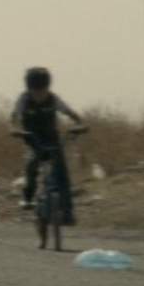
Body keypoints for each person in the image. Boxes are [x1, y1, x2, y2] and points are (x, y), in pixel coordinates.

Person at [10, 67, 84, 224]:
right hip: (32, 139)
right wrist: (15, 130)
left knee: (62, 174)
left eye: (42, 90)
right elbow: (13, 117)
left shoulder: (53, 99)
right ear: (29, 89)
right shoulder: (23, 100)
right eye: (36, 91)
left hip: (52, 139)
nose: (39, 95)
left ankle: (67, 212)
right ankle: (27, 196)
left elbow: (70, 113)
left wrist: (80, 124)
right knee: (31, 164)